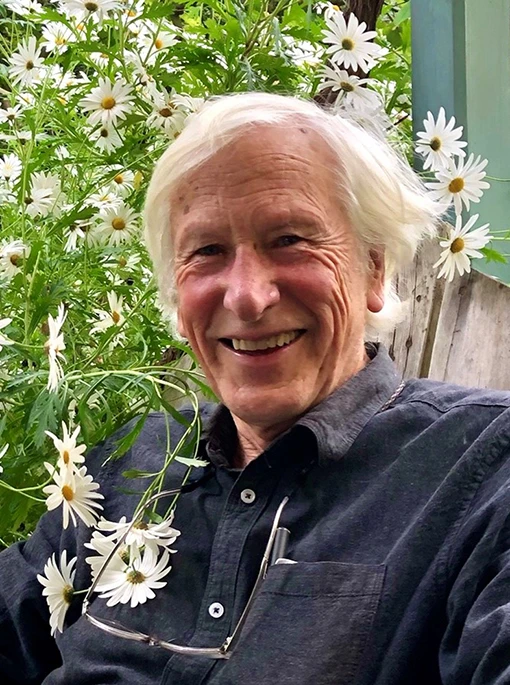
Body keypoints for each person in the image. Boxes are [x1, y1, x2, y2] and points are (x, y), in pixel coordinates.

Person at [1, 92, 510, 685]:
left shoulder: (484, 469)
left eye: (289, 239)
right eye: (207, 251)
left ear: (374, 268)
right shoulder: (131, 463)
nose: (246, 296)